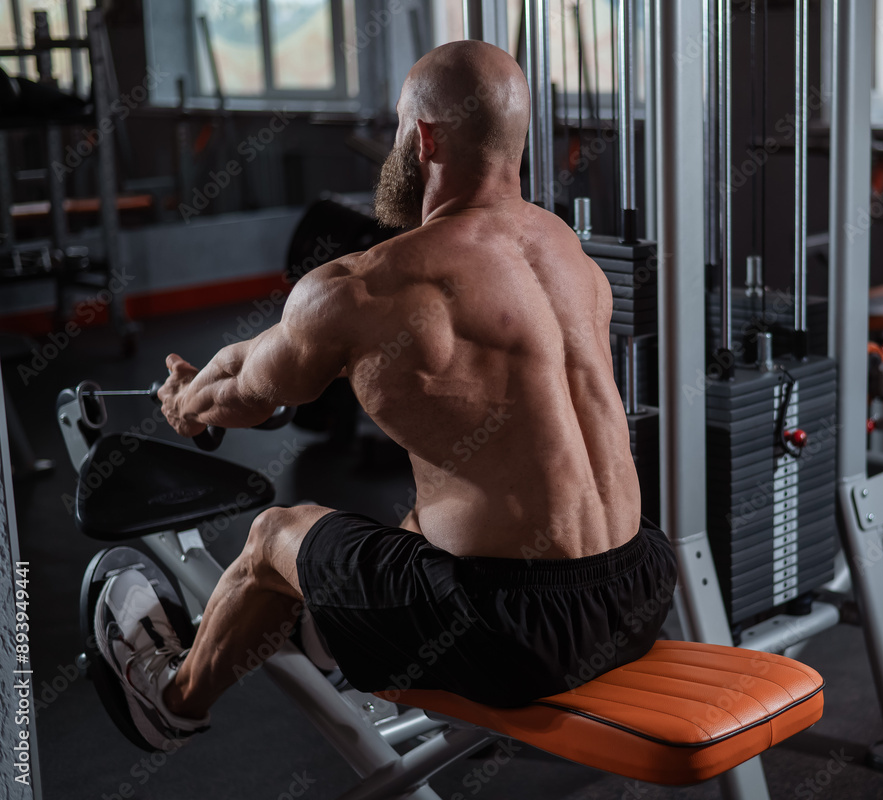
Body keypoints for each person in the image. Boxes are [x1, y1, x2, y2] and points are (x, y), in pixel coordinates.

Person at [94, 39, 677, 751]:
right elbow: (262, 353)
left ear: (424, 137)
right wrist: (217, 371)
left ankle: (170, 700)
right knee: (433, 511)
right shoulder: (567, 255)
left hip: (518, 637)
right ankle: (328, 626)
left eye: (402, 128)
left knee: (275, 535)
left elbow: (247, 395)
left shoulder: (369, 285)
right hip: (642, 589)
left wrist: (186, 404)